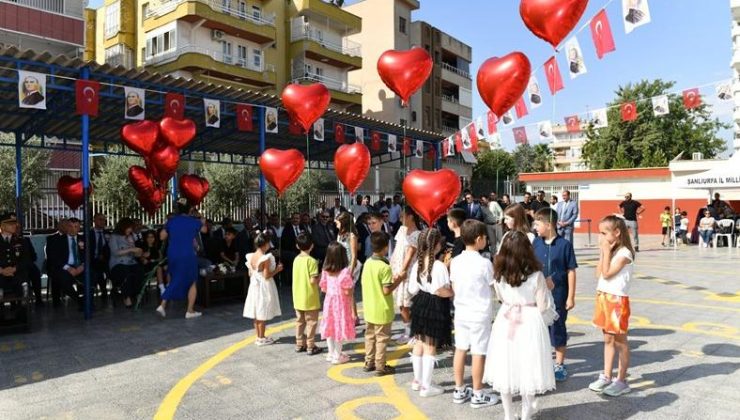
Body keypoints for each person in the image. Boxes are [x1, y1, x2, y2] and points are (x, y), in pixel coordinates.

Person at [484, 232, 557, 420]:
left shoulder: (498, 274)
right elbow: (543, 306)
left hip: (505, 319)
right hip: (530, 320)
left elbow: (500, 298)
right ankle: (526, 414)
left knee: (505, 366)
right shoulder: (536, 275)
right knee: (529, 366)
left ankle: (508, 415)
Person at [449, 220, 499, 408]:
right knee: (479, 352)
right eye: (485, 237)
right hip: (479, 313)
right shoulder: (484, 263)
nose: (486, 240)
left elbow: (454, 286)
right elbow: (494, 286)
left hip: (461, 311)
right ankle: (478, 393)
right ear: (479, 239)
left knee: (460, 348)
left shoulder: (455, 261)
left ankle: (459, 389)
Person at [589, 215, 635, 397]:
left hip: (617, 300)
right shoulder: (611, 250)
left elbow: (607, 274)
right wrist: (603, 251)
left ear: (616, 233)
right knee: (608, 339)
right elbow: (598, 272)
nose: (600, 237)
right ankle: (606, 376)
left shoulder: (624, 253)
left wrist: (606, 251)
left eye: (603, 233)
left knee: (620, 341)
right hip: (604, 297)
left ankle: (622, 380)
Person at [533, 208, 577, 382]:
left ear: (548, 224)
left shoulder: (565, 245)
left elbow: (571, 271)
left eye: (537, 223)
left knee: (558, 328)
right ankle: (543, 362)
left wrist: (571, 296)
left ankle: (559, 364)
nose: (535, 227)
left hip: (559, 295)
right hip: (538, 296)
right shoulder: (536, 243)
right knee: (539, 329)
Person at [408, 228, 454, 397]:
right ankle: (426, 387)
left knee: (419, 342)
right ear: (436, 245)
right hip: (435, 306)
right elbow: (439, 290)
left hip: (420, 303)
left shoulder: (418, 263)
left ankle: (417, 380)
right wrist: (453, 292)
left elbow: (412, 288)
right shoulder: (439, 265)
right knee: (430, 345)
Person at [361, 231, 402, 376]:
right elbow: (386, 290)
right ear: (385, 247)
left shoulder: (368, 263)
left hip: (369, 308)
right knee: (382, 339)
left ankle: (369, 361)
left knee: (370, 336)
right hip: (382, 309)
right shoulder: (384, 267)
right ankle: (380, 366)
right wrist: (399, 280)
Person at [156, 199, 204, 319]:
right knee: (192, 281)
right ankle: (189, 310)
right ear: (190, 209)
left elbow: (162, 237)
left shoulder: (171, 221)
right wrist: (200, 216)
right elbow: (204, 229)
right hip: (187, 254)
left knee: (174, 279)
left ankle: (163, 305)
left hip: (173, 253)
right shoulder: (193, 221)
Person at [243, 232, 283, 345]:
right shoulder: (265, 258)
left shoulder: (251, 256)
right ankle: (261, 338)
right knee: (262, 311)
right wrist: (277, 270)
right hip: (263, 286)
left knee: (256, 312)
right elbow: (266, 276)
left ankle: (259, 336)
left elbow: (250, 273)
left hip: (254, 285)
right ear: (265, 244)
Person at [319, 241, 356, 364]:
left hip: (329, 302)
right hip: (341, 303)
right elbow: (347, 292)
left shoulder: (325, 270)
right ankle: (337, 354)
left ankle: (331, 352)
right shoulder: (345, 272)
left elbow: (323, 288)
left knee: (330, 326)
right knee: (339, 327)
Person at [390, 206, 420, 343]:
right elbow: (397, 249)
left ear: (411, 217)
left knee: (407, 303)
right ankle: (407, 330)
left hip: (408, 274)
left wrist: (403, 270)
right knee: (400, 304)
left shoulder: (417, 234)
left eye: (403, 216)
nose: (400, 218)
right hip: (397, 270)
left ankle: (413, 332)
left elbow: (410, 254)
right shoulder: (402, 230)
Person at [46, 218, 86, 310]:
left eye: (75, 227)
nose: (72, 229)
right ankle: (79, 301)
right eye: (70, 226)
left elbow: (88, 255)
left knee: (93, 275)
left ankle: (89, 301)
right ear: (66, 227)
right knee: (62, 278)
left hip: (80, 266)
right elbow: (54, 257)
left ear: (79, 228)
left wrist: (82, 266)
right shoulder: (58, 240)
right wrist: (68, 268)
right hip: (65, 267)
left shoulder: (84, 239)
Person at [292, 234, 322, 355]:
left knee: (299, 321)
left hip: (298, 296)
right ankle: (310, 345)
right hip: (310, 297)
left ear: (297, 246)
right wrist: (321, 275)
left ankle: (299, 343)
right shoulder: (312, 261)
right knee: (311, 322)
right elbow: (313, 281)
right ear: (312, 246)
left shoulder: (296, 259)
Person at [108, 217, 145, 308]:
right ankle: (126, 297)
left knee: (139, 271)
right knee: (125, 272)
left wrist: (138, 252)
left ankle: (136, 294)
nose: (131, 229)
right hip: (118, 263)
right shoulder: (114, 237)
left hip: (131, 261)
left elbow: (135, 254)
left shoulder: (130, 237)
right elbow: (115, 252)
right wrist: (131, 249)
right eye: (129, 227)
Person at [335, 211, 360, 322]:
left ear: (343, 222)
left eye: (338, 222)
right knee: (347, 292)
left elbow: (354, 255)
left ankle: (353, 317)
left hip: (350, 265)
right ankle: (353, 316)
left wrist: (350, 271)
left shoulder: (352, 235)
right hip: (341, 265)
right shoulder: (340, 235)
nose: (336, 224)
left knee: (348, 291)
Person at [0, 213, 26, 302]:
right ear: (3, 226)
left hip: (16, 273)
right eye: (11, 224)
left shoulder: (21, 241)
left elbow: (26, 260)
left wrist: (14, 269)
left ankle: (21, 311)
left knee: (21, 286)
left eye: (15, 223)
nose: (15, 225)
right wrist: (2, 271)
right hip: (0, 273)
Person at [89, 213, 110, 300]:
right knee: (96, 270)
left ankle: (107, 291)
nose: (102, 222)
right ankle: (96, 292)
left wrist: (105, 256)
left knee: (105, 268)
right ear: (94, 221)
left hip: (105, 260)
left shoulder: (108, 233)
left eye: (104, 220)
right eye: (100, 219)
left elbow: (109, 249)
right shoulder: (89, 234)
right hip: (92, 260)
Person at [139, 230, 165, 295]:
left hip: (156, 264)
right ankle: (162, 288)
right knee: (159, 267)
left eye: (152, 237)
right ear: (146, 238)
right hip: (147, 266)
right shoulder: (142, 246)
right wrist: (143, 257)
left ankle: (165, 287)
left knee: (162, 267)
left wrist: (155, 260)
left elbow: (160, 258)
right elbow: (140, 258)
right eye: (148, 237)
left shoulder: (157, 246)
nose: (150, 239)